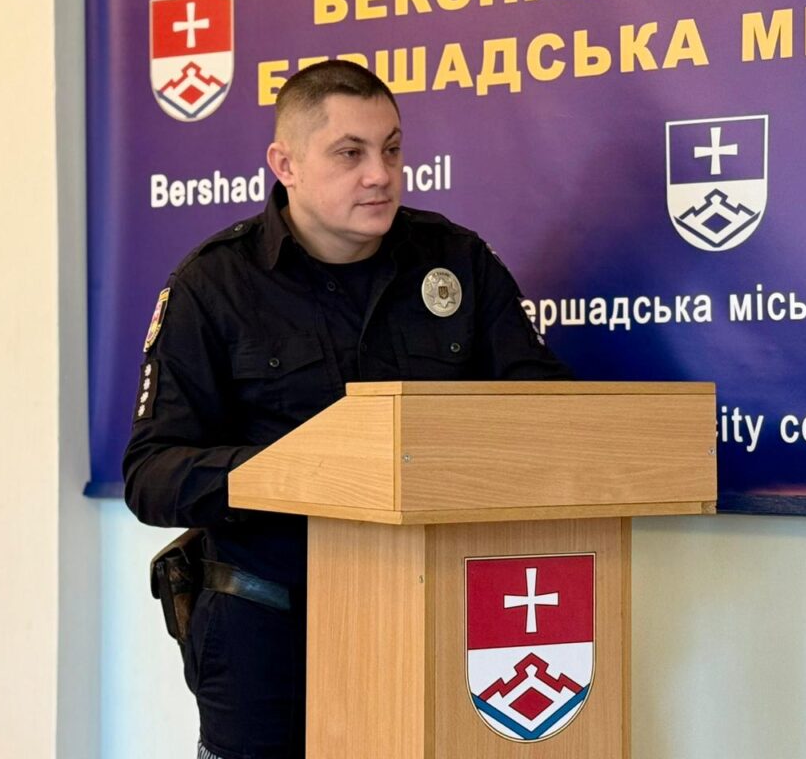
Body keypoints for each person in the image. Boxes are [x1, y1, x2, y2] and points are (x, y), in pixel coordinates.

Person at [123, 60, 571, 759]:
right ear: (286, 165)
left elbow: (546, 414)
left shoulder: (457, 261)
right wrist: (299, 473)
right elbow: (152, 474)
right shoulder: (214, 285)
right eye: (350, 153)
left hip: (434, 612)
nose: (380, 175)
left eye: (391, 149)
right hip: (267, 624)